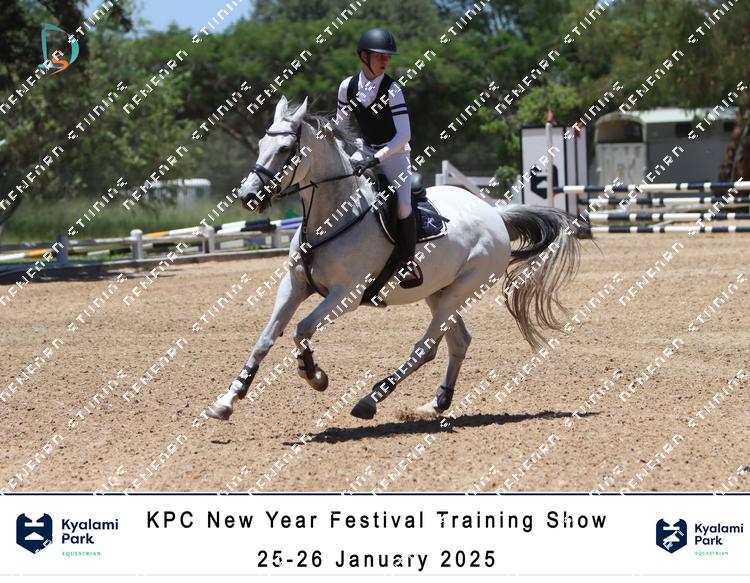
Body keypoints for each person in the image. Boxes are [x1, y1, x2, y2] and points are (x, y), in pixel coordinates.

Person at [334, 27, 421, 288]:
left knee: (403, 206)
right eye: (380, 56)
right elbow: (341, 127)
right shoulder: (347, 87)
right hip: (364, 150)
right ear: (364, 56)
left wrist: (376, 159)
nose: (385, 61)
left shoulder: (393, 89)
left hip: (395, 153)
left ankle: (407, 263)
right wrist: (343, 152)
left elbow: (404, 135)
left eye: (388, 57)